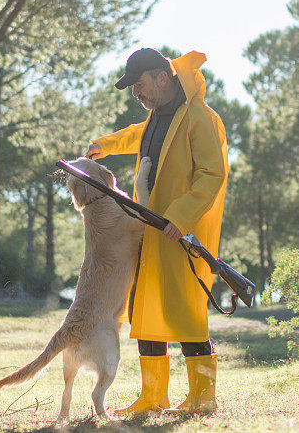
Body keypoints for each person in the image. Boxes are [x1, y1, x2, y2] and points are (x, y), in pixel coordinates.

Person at [86, 48, 228, 415]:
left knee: (186, 312)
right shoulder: (157, 117)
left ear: (162, 78)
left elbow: (212, 174)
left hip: (181, 233)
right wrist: (106, 144)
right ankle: (153, 396)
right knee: (144, 310)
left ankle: (202, 397)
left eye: (139, 84)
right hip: (149, 229)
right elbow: (135, 135)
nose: (136, 93)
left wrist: (179, 219)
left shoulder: (201, 117)